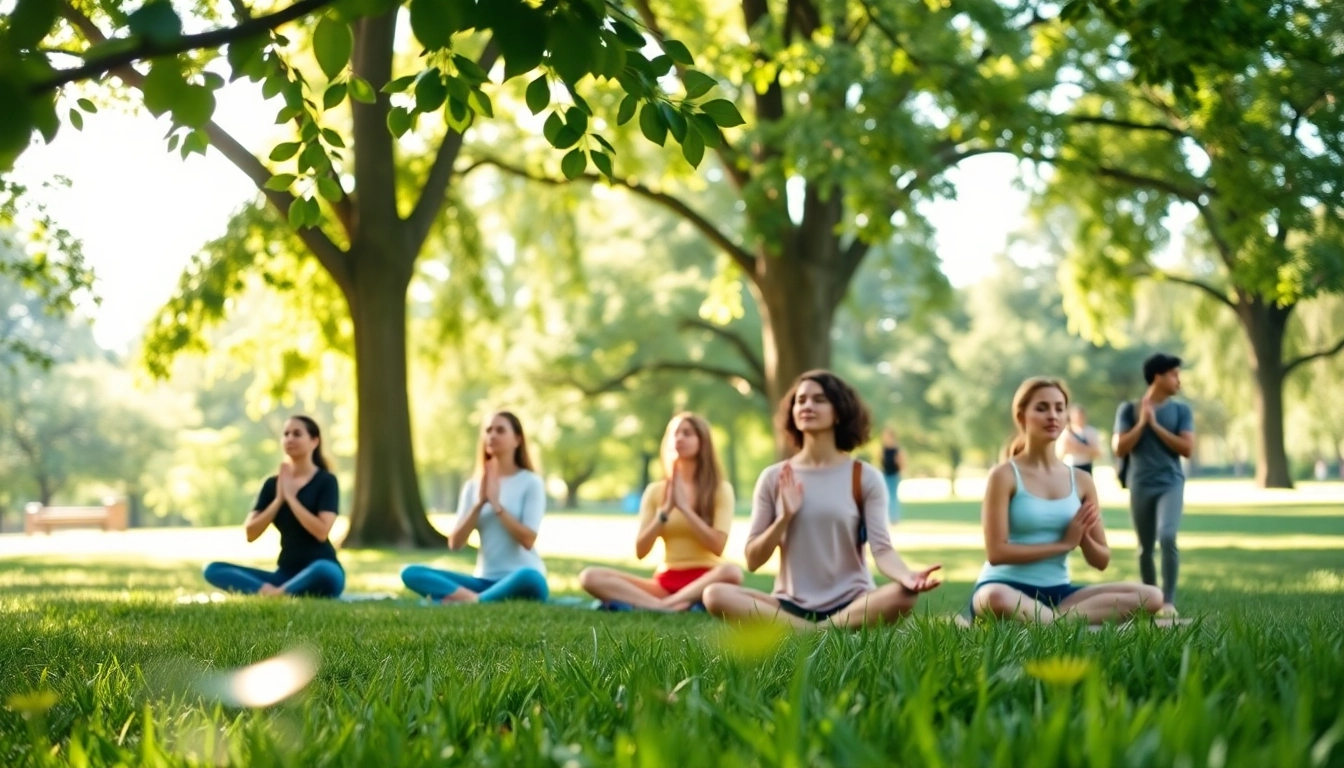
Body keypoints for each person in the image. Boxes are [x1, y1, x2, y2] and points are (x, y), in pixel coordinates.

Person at [702, 370, 941, 629]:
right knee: (714, 594)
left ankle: (808, 631)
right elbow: (753, 560)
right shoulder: (774, 477)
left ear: (838, 412)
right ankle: (820, 632)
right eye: (800, 400)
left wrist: (907, 576)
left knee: (904, 594)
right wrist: (784, 518)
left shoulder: (864, 476)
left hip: (853, 602)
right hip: (789, 604)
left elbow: (882, 550)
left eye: (819, 400)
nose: (807, 406)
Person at [968, 378, 1162, 624]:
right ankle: (1065, 623)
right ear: (1021, 416)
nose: (1053, 415)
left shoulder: (1081, 480)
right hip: (1003, 587)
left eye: (1059, 408)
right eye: (1042, 408)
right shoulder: (1004, 475)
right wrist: (1063, 544)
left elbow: (1101, 560)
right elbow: (997, 553)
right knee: (994, 598)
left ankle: (1050, 621)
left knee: (1151, 596)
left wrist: (1083, 537)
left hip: (1060, 594)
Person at [578, 413, 743, 611]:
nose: (679, 438)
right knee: (590, 576)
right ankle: (663, 606)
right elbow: (641, 551)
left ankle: (665, 605)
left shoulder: (720, 489)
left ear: (703, 441)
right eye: (674, 433)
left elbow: (718, 546)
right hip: (665, 582)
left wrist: (685, 509)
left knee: (732, 572)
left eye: (687, 433)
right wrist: (663, 514)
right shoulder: (655, 491)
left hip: (705, 580)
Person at [401, 412, 549, 604]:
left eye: (500, 430)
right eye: (488, 430)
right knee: (411, 572)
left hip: (520, 579)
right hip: (483, 581)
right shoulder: (473, 486)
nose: (492, 435)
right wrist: (479, 504)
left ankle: (465, 600)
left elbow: (528, 540)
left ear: (517, 439)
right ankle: (475, 598)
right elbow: (455, 544)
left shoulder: (531, 482)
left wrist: (497, 506)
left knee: (531, 577)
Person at [203, 416, 345, 598]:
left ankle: (277, 593)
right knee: (212, 568)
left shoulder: (326, 481)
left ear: (314, 441)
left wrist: (291, 498)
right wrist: (278, 499)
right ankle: (274, 592)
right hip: (284, 574)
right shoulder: (272, 485)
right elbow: (251, 533)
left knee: (324, 570)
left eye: (297, 434)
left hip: (321, 568)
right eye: (286, 434)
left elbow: (321, 532)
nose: (289, 438)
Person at [1113, 353, 1194, 617]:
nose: (1178, 381)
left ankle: (1168, 601)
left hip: (1170, 483)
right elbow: (1119, 447)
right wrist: (1141, 424)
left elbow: (1187, 448)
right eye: (1174, 375)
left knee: (1167, 536)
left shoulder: (1181, 411)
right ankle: (1151, 601)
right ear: (1158, 377)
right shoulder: (1129, 409)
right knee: (1144, 549)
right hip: (1140, 485)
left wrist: (1156, 426)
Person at [1057, 405, 1102, 475]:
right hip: (1070, 466)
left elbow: (1097, 453)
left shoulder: (1092, 432)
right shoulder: (1066, 433)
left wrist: (1077, 447)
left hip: (1086, 465)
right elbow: (1060, 453)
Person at [879, 427, 907, 522]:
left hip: (894, 474)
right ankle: (887, 516)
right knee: (885, 496)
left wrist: (901, 472)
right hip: (885, 474)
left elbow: (902, 462)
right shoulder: (883, 449)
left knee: (893, 496)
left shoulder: (897, 449)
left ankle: (894, 517)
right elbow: (880, 461)